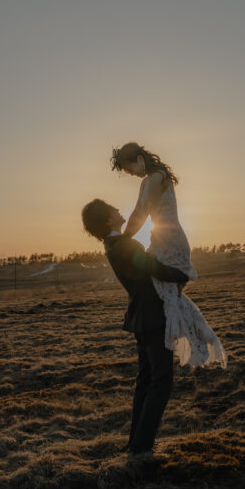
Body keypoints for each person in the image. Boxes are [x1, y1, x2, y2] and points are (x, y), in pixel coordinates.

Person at [81, 198, 187, 462]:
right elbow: (151, 267)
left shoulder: (115, 245)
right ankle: (142, 448)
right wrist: (181, 274)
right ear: (108, 220)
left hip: (142, 318)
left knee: (146, 381)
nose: (119, 210)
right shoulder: (123, 246)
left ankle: (137, 444)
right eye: (113, 210)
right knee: (160, 382)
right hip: (151, 318)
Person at [111, 142, 227, 369]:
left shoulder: (156, 177)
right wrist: (124, 239)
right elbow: (137, 211)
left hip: (170, 241)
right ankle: (196, 343)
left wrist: (122, 241)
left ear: (139, 158)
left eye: (130, 168)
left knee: (165, 295)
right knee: (165, 296)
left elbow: (142, 212)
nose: (132, 174)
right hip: (160, 240)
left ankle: (193, 344)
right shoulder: (147, 181)